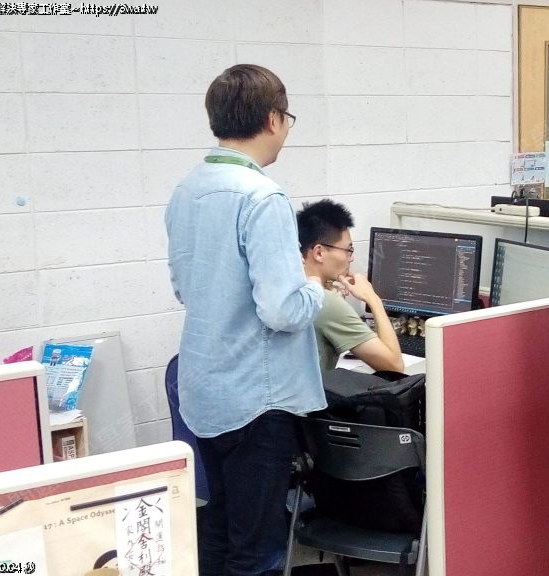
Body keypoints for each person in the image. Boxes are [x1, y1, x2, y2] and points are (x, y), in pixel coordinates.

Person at [164, 64, 325, 576]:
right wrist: (315, 288)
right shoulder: (263, 197)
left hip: (205, 390)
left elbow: (183, 288)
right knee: (257, 548)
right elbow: (282, 310)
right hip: (257, 398)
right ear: (274, 119)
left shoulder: (187, 190)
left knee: (219, 527)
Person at [296, 199, 405, 374]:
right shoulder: (325, 302)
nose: (351, 258)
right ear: (319, 253)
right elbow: (395, 366)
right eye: (348, 250)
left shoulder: (292, 288)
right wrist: (373, 298)